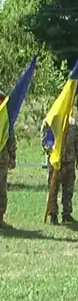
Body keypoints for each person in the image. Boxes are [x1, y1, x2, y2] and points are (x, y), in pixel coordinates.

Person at [42, 116, 78, 224]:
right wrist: (52, 151)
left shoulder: (72, 123)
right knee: (53, 189)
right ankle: (53, 214)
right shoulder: (49, 122)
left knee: (68, 189)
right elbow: (45, 141)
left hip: (69, 161)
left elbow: (77, 140)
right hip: (55, 162)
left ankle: (66, 213)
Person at [0, 91, 15, 229]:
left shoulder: (5, 118)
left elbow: (10, 137)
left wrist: (12, 156)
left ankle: (0, 217)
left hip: (2, 159)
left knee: (1, 188)